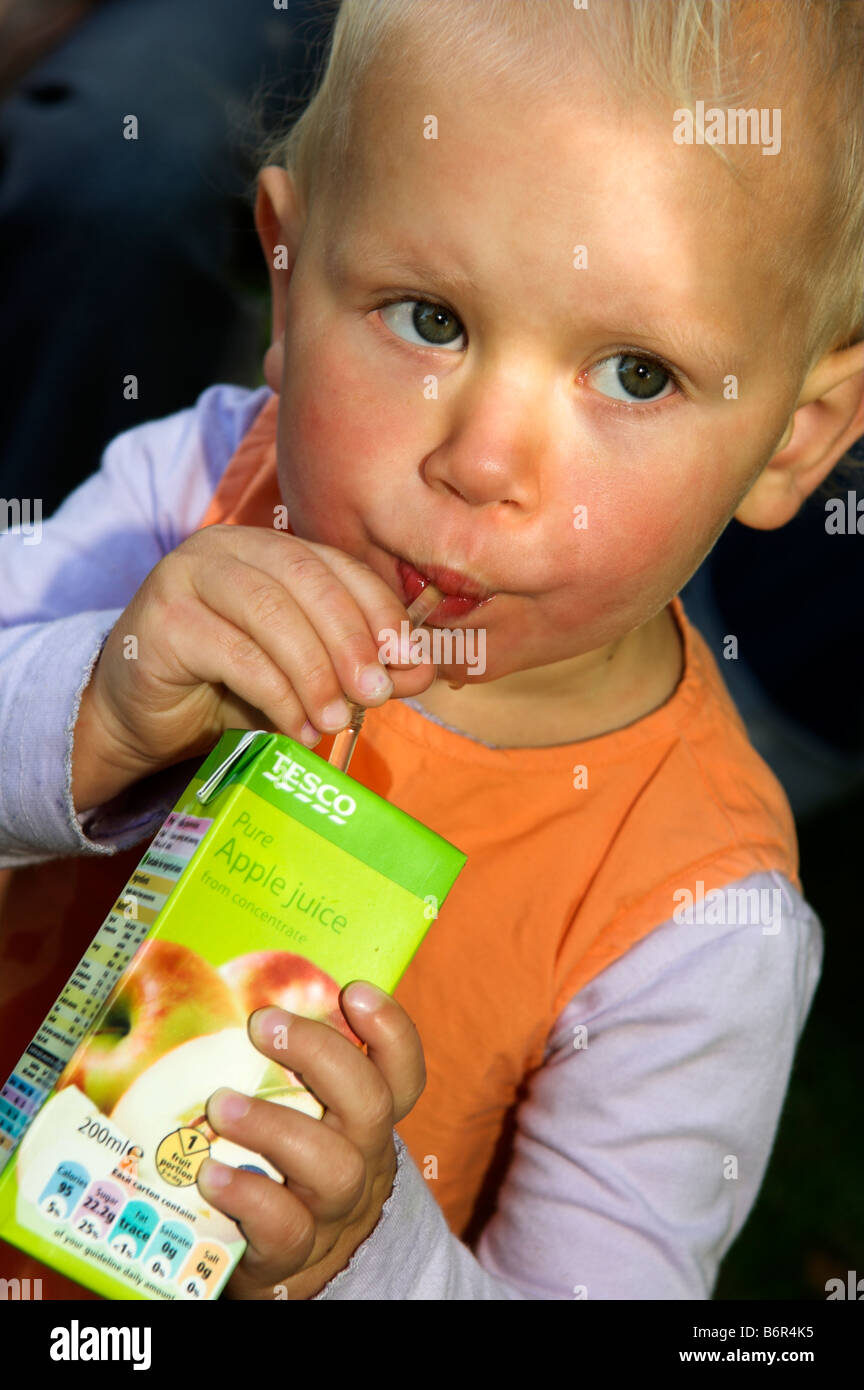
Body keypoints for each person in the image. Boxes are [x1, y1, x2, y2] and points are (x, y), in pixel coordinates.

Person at [1, 0, 862, 1301]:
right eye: (430, 319)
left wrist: (362, 1248)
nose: (481, 462)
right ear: (287, 279)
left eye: (634, 374)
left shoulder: (695, 914)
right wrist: (97, 713)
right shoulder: (199, 489)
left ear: (798, 439)